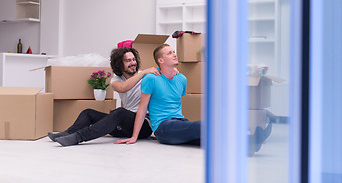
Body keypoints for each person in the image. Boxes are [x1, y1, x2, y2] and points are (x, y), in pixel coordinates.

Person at [115, 44, 271, 155]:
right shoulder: (151, 78)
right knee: (202, 126)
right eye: (169, 53)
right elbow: (142, 108)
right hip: (163, 128)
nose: (174, 54)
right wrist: (134, 137)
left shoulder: (181, 78)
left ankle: (249, 144)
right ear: (160, 61)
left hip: (180, 122)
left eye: (174, 51)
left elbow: (176, 104)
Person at [48, 47, 159, 147]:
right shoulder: (116, 80)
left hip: (143, 126)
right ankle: (68, 133)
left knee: (119, 112)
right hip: (125, 126)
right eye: (128, 60)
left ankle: (77, 137)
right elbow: (124, 87)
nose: (132, 63)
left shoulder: (146, 77)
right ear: (120, 64)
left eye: (133, 59)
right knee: (88, 113)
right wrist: (143, 72)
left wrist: (144, 73)